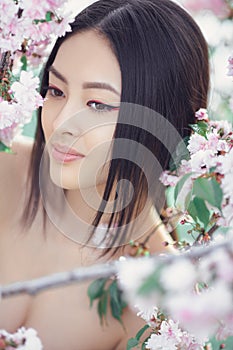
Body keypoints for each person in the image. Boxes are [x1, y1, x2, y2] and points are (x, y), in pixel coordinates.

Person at [0, 0, 209, 349]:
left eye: (97, 104)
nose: (62, 122)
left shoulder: (160, 298)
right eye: (56, 91)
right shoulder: (6, 172)